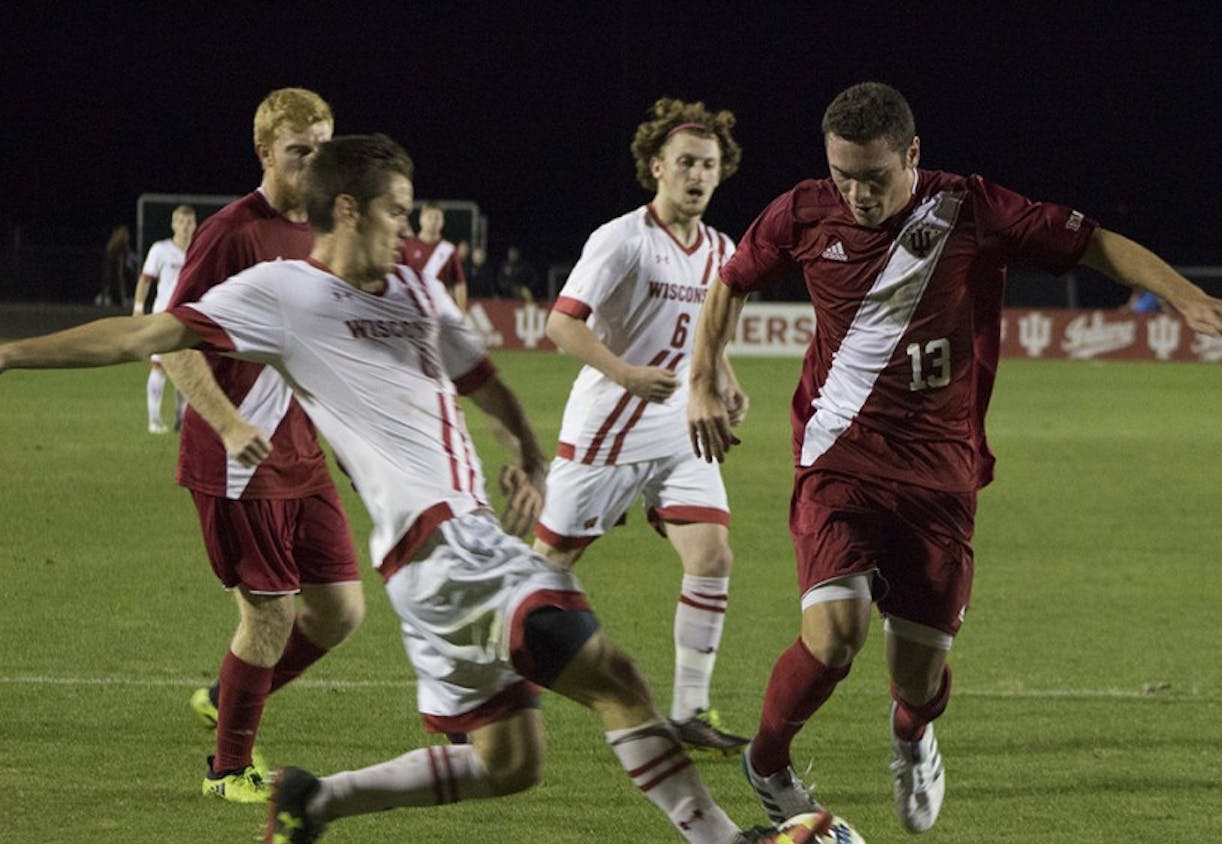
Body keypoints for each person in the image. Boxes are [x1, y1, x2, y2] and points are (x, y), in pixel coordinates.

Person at [0, 133, 829, 844]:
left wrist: (529, 452)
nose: (411, 225)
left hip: (445, 556)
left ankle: (315, 800)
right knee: (613, 676)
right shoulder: (280, 295)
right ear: (351, 209)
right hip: (442, 544)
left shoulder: (413, 285)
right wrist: (10, 353)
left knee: (510, 765)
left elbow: (480, 377)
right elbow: (144, 333)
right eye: (396, 209)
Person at [686, 81, 1222, 833]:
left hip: (941, 474)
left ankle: (913, 733)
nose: (856, 194)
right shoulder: (802, 211)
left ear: (913, 155)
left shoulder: (971, 209)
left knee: (916, 676)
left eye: (874, 177)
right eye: (843, 175)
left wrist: (1183, 295)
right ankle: (769, 759)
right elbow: (731, 282)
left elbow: (1094, 243)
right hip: (837, 457)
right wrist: (703, 378)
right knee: (837, 632)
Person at [155, 87, 360, 803]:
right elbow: (173, 344)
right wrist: (227, 421)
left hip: (300, 454)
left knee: (340, 612)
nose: (313, 162)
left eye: (322, 149)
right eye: (299, 150)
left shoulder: (329, 231)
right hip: (238, 461)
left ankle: (230, 691)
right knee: (268, 613)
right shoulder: (231, 233)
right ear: (265, 152)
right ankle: (226, 769)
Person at [535, 97, 750, 754]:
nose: (697, 175)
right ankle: (483, 685)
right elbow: (561, 323)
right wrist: (624, 372)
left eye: (709, 165)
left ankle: (689, 710)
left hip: (681, 425)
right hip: (611, 423)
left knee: (712, 555)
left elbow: (708, 337)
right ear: (657, 166)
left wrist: (723, 377)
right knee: (548, 567)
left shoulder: (723, 249)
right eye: (686, 162)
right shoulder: (620, 239)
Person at [132, 204, 197, 433]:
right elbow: (145, 279)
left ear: (195, 224)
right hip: (164, 316)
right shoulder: (160, 250)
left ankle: (181, 418)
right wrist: (139, 308)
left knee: (188, 370)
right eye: (180, 221)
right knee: (160, 367)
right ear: (173, 224)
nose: (185, 227)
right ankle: (154, 420)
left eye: (189, 222)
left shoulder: (200, 250)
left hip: (190, 318)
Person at [401, 202, 468, 311]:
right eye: (429, 217)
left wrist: (462, 312)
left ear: (442, 222)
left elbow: (459, 283)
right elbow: (398, 279)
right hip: (412, 308)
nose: (433, 221)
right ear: (421, 219)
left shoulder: (449, 249)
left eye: (437, 218)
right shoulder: (407, 246)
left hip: (439, 309)